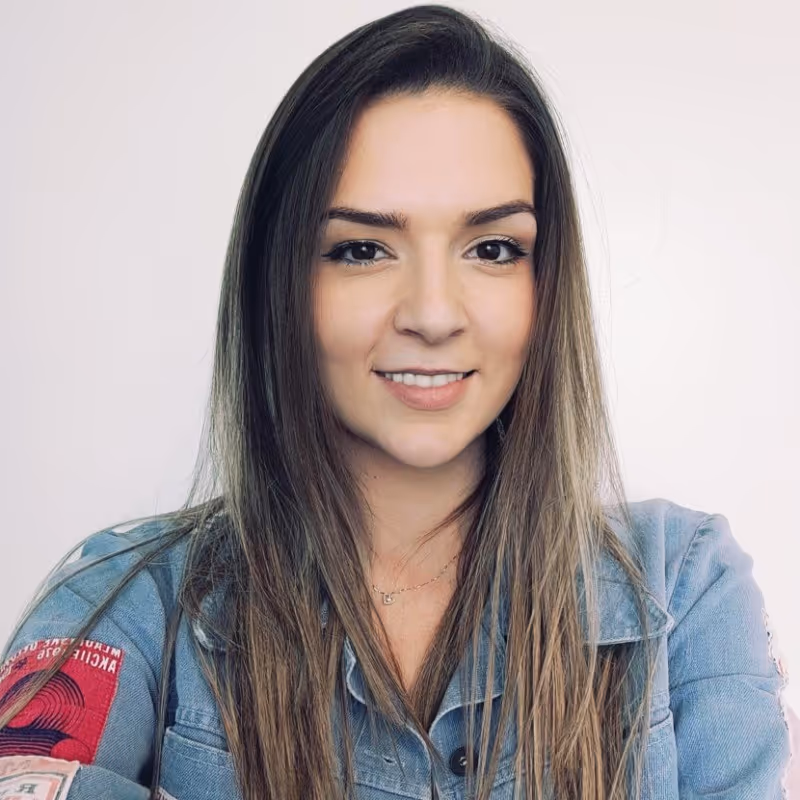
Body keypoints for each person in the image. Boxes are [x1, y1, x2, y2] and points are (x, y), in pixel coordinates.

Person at [0, 5, 792, 799]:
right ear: (280, 283)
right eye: (362, 249)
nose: (434, 314)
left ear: (544, 283)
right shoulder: (127, 596)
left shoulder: (684, 586)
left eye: (493, 249)